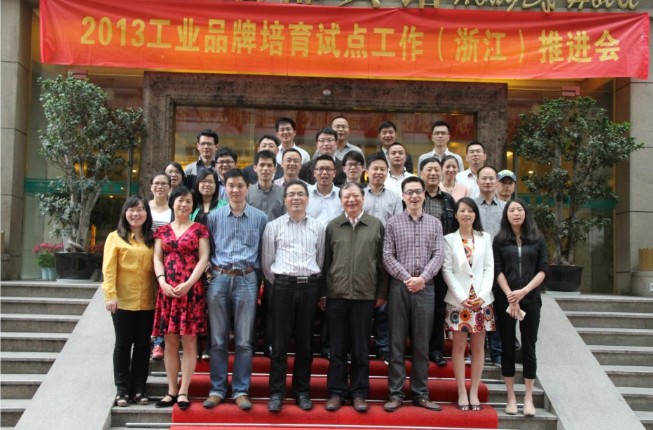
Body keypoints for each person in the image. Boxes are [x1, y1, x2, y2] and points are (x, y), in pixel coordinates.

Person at [204, 169, 268, 411]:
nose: (235, 190)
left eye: (240, 185)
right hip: (219, 278)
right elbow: (208, 249)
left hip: (247, 279)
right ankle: (217, 389)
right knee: (218, 340)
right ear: (225, 188)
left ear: (247, 188)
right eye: (231, 185)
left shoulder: (260, 218)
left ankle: (241, 390)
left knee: (244, 341)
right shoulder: (214, 217)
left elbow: (263, 251)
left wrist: (258, 279)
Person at [321, 182, 387, 413]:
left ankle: (359, 393)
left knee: (360, 348)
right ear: (341, 201)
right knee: (337, 349)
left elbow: (382, 263)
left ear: (363, 198)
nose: (351, 200)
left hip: (364, 295)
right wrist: (323, 292)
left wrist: (381, 293)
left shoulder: (375, 225)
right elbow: (325, 262)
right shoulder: (333, 226)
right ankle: (336, 392)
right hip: (336, 295)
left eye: (355, 196)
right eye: (346, 197)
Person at [262, 180, 325, 412]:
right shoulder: (273, 226)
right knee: (279, 344)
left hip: (309, 288)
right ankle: (276, 392)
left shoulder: (319, 227)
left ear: (307, 199)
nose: (296, 198)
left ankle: (302, 391)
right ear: (285, 200)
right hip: (282, 287)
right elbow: (267, 263)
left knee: (305, 343)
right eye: (291, 194)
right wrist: (283, 282)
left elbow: (320, 259)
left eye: (300, 194)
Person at [383, 176, 444, 412]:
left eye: (418, 191)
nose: (414, 196)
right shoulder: (393, 223)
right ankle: (396, 394)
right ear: (403, 196)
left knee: (421, 344)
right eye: (410, 192)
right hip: (399, 286)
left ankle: (421, 393)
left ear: (424, 195)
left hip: (425, 288)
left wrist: (422, 279)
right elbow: (387, 256)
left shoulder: (435, 223)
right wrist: (407, 278)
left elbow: (438, 255)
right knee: (396, 342)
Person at [152, 186, 210, 410]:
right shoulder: (162, 231)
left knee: (189, 341)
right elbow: (157, 258)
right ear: (172, 203)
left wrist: (188, 284)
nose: (184, 204)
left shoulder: (200, 230)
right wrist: (162, 282)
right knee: (170, 341)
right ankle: (171, 391)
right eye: (180, 200)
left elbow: (203, 259)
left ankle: (184, 390)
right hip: (167, 291)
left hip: (190, 292)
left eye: (188, 201)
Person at [493, 199, 547, 417]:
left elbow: (543, 270)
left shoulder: (537, 238)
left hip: (530, 298)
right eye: (512, 210)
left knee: (529, 346)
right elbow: (497, 270)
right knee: (507, 346)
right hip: (505, 299)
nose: (516, 213)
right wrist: (510, 295)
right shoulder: (500, 240)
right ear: (506, 215)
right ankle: (511, 396)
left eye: (519, 210)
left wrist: (523, 292)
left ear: (526, 213)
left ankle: (528, 397)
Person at [442, 197, 495, 411]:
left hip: (481, 301)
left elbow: (489, 268)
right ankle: (461, 391)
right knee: (459, 347)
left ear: (475, 214)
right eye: (462, 210)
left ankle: (474, 390)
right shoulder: (449, 239)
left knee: (479, 347)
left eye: (470, 210)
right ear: (455, 214)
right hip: (458, 301)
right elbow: (447, 270)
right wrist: (462, 297)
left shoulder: (485, 237)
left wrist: (482, 295)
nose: (466, 214)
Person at [102, 195, 157, 407]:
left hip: (148, 301)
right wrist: (110, 295)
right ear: (125, 213)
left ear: (146, 213)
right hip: (122, 301)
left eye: (140, 209)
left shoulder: (153, 239)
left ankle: (139, 389)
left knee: (143, 346)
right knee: (123, 345)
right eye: (132, 209)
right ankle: (122, 390)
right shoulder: (115, 238)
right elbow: (108, 269)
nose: (136, 214)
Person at [362, 154, 402, 365]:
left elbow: (398, 225)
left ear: (387, 173)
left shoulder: (395, 198)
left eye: (382, 169)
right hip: (362, 253)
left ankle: (383, 347)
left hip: (386, 253)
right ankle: (359, 345)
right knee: (361, 302)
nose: (378, 172)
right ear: (367, 172)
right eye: (374, 168)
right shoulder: (359, 194)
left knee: (384, 303)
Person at [419, 157, 456, 367]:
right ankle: (417, 347)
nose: (433, 173)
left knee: (439, 308)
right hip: (418, 259)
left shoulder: (449, 200)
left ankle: (436, 350)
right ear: (421, 173)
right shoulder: (414, 196)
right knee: (417, 308)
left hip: (442, 260)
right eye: (429, 170)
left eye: (436, 170)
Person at [191, 168, 227, 360]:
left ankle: (211, 346)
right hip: (192, 265)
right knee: (196, 306)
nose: (207, 185)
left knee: (214, 306)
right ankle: (195, 346)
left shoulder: (223, 206)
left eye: (211, 182)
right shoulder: (192, 206)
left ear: (216, 186)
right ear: (197, 184)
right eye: (203, 181)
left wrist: (210, 261)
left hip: (216, 265)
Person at [474, 165, 506, 366]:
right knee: (476, 307)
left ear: (496, 182)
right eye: (484, 178)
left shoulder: (506, 208)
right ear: (477, 181)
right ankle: (475, 351)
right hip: (474, 266)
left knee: (498, 309)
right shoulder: (470, 206)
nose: (487, 182)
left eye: (491, 178)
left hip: (500, 265)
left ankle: (497, 352)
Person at [148, 173, 173, 361]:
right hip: (143, 258)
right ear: (151, 187)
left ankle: (159, 342)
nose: (160, 186)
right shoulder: (142, 207)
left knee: (163, 303)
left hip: (166, 262)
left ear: (170, 188)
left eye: (164, 183)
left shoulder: (174, 211)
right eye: (156, 183)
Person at [246, 150, 285, 221]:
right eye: (262, 165)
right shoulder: (247, 192)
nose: (265, 168)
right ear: (255, 168)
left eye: (269, 165)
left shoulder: (283, 192)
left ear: (275, 169)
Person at [306, 154, 343, 226]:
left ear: (334, 173)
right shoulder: (305, 194)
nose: (324, 172)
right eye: (321, 169)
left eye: (328, 169)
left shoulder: (342, 195)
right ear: (314, 173)